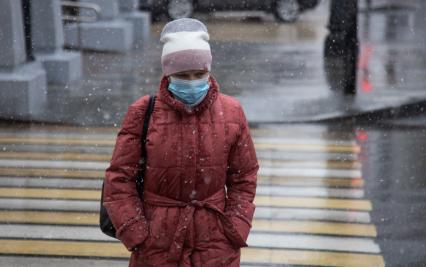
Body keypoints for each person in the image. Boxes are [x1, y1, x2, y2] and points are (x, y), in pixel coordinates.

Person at [103, 18, 259, 267]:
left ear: (209, 71)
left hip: (216, 245)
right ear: (168, 74)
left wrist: (235, 226)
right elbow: (119, 178)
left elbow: (244, 175)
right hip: (157, 244)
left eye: (199, 74)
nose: (192, 81)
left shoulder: (232, 112)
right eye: (182, 75)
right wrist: (137, 233)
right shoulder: (143, 112)